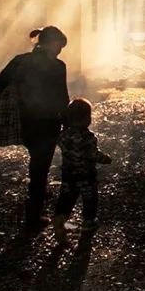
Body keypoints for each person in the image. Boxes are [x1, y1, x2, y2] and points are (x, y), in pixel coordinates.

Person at [0, 26, 70, 229]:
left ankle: (34, 208)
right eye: (60, 45)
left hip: (25, 120)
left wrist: (7, 107)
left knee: (37, 165)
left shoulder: (20, 61)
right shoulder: (57, 66)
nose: (60, 50)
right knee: (40, 168)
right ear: (52, 43)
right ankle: (33, 215)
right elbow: (62, 98)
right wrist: (68, 122)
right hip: (48, 121)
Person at [52, 98, 111, 244]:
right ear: (86, 119)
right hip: (86, 175)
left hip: (68, 174)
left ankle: (60, 217)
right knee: (90, 199)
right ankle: (88, 222)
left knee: (66, 197)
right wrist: (105, 159)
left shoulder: (63, 135)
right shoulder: (87, 137)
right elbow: (93, 154)